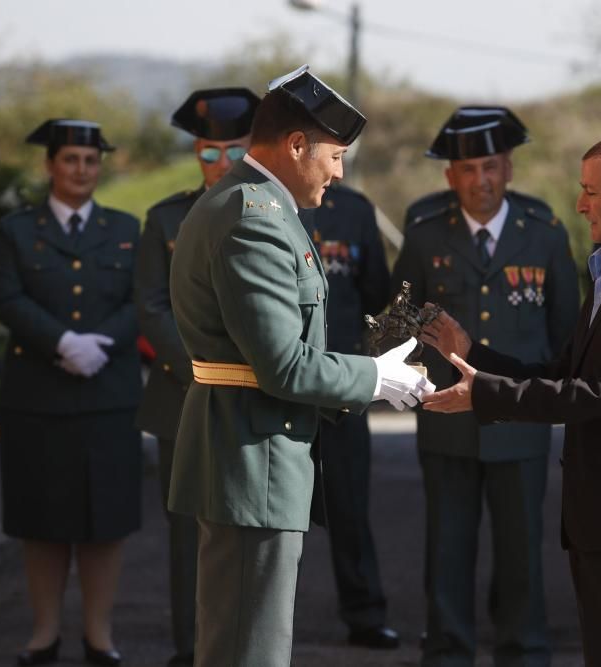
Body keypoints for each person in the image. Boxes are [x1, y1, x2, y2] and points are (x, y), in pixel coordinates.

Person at [166, 65, 433, 667]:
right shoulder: (256, 218)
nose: (338, 172)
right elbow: (284, 365)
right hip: (253, 454)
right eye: (335, 156)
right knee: (249, 647)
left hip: (248, 449)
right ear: (295, 145)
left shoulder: (249, 204)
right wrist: (376, 379)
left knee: (241, 637)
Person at [422, 131, 601, 667]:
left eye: (591, 192)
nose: (579, 205)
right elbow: (560, 374)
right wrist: (475, 355)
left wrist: (484, 394)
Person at [391, 105, 580, 666]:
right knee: (448, 546)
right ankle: (449, 650)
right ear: (450, 177)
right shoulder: (425, 235)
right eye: (469, 170)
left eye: (492, 166)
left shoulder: (543, 232)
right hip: (448, 420)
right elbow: (401, 327)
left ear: (510, 169)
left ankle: (524, 649)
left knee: (522, 547)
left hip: (519, 420)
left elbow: (564, 333)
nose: (482, 180)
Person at [0, 119, 141, 666]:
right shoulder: (16, 229)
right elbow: (7, 297)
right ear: (50, 165)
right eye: (71, 159)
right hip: (39, 395)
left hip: (108, 393)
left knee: (106, 522)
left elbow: (143, 298)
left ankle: (99, 635)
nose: (82, 169)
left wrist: (102, 343)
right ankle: (44, 633)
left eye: (91, 160)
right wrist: (62, 341)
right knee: (43, 521)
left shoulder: (126, 228)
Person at [134, 87, 259, 666]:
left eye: (234, 152)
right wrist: (204, 371)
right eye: (210, 153)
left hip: (256, 399)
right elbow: (151, 307)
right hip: (183, 397)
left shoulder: (270, 211)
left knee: (255, 538)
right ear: (197, 154)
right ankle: (191, 652)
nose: (222, 164)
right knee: (188, 538)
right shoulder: (164, 218)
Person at [298, 184, 400, 649]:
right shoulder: (266, 201)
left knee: (350, 509)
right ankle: (262, 618)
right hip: (276, 386)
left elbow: (375, 292)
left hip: (340, 384)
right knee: (269, 512)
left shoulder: (356, 211)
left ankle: (365, 614)